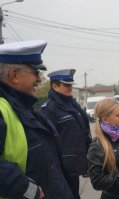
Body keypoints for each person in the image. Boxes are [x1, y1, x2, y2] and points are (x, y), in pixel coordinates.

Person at [0, 40, 74, 198]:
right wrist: (29, 190)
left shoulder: (25, 109)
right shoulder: (3, 109)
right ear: (14, 75)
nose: (40, 79)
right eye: (36, 72)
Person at [39, 69, 91, 199]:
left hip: (73, 167)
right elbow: (48, 143)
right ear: (55, 86)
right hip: (61, 169)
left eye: (71, 85)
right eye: (66, 85)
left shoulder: (72, 105)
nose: (70, 88)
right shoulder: (49, 109)